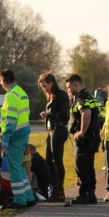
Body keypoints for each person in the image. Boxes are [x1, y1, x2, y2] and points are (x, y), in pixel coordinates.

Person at [0, 69, 35, 208]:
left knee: (14, 170)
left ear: (3, 80)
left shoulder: (11, 95)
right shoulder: (21, 91)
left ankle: (20, 200)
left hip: (14, 136)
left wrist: (6, 138)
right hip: (23, 134)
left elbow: (12, 119)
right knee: (19, 168)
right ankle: (29, 198)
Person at [67, 74, 100, 205]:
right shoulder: (88, 96)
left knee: (81, 166)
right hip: (91, 138)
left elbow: (86, 113)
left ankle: (84, 194)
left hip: (85, 139)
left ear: (75, 85)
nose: (69, 91)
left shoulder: (82, 98)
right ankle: (91, 194)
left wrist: (81, 132)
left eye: (69, 88)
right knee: (89, 166)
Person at [38, 72, 70, 202]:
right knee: (48, 162)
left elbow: (65, 114)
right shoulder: (52, 96)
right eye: (42, 87)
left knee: (57, 162)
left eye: (45, 86)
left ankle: (59, 191)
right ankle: (54, 189)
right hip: (51, 131)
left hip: (58, 131)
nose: (44, 89)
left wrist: (49, 114)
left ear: (51, 83)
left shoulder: (61, 95)